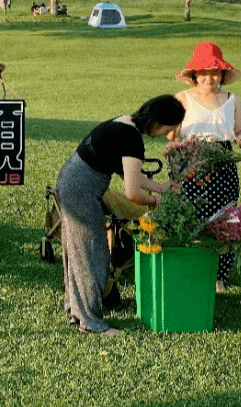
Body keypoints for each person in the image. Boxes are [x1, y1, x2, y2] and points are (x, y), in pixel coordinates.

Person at [56, 94, 185, 336]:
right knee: (92, 254)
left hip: (71, 183)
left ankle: (76, 311)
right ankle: (91, 324)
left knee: (78, 252)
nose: (168, 133)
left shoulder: (124, 123)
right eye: (169, 128)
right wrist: (154, 201)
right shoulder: (132, 138)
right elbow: (133, 192)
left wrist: (162, 187)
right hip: (81, 192)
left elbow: (130, 174)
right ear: (158, 122)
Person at [168, 42, 241, 292]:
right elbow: (170, 135)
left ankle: (219, 275)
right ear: (194, 75)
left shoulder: (233, 100)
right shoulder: (181, 99)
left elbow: (239, 133)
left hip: (223, 165)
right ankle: (191, 267)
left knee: (225, 219)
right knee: (191, 216)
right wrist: (177, 142)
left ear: (223, 75)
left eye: (215, 72)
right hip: (192, 164)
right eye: (204, 72)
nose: (210, 78)